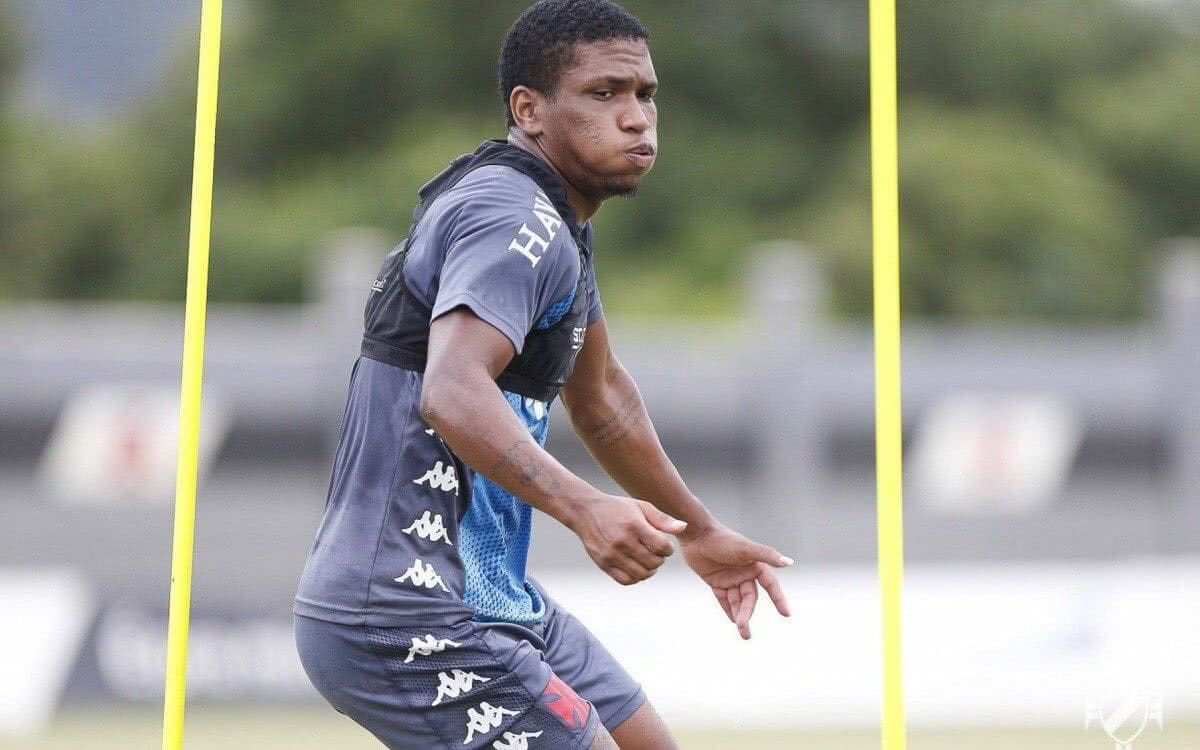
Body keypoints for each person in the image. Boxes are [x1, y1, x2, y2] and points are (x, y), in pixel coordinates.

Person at [294, 1, 792, 747]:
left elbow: (603, 401)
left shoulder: (557, 226)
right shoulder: (513, 217)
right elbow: (452, 389)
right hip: (404, 610)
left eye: (644, 95)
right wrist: (589, 509)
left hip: (493, 600)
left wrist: (700, 531)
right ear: (528, 110)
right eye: (604, 93)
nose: (636, 118)